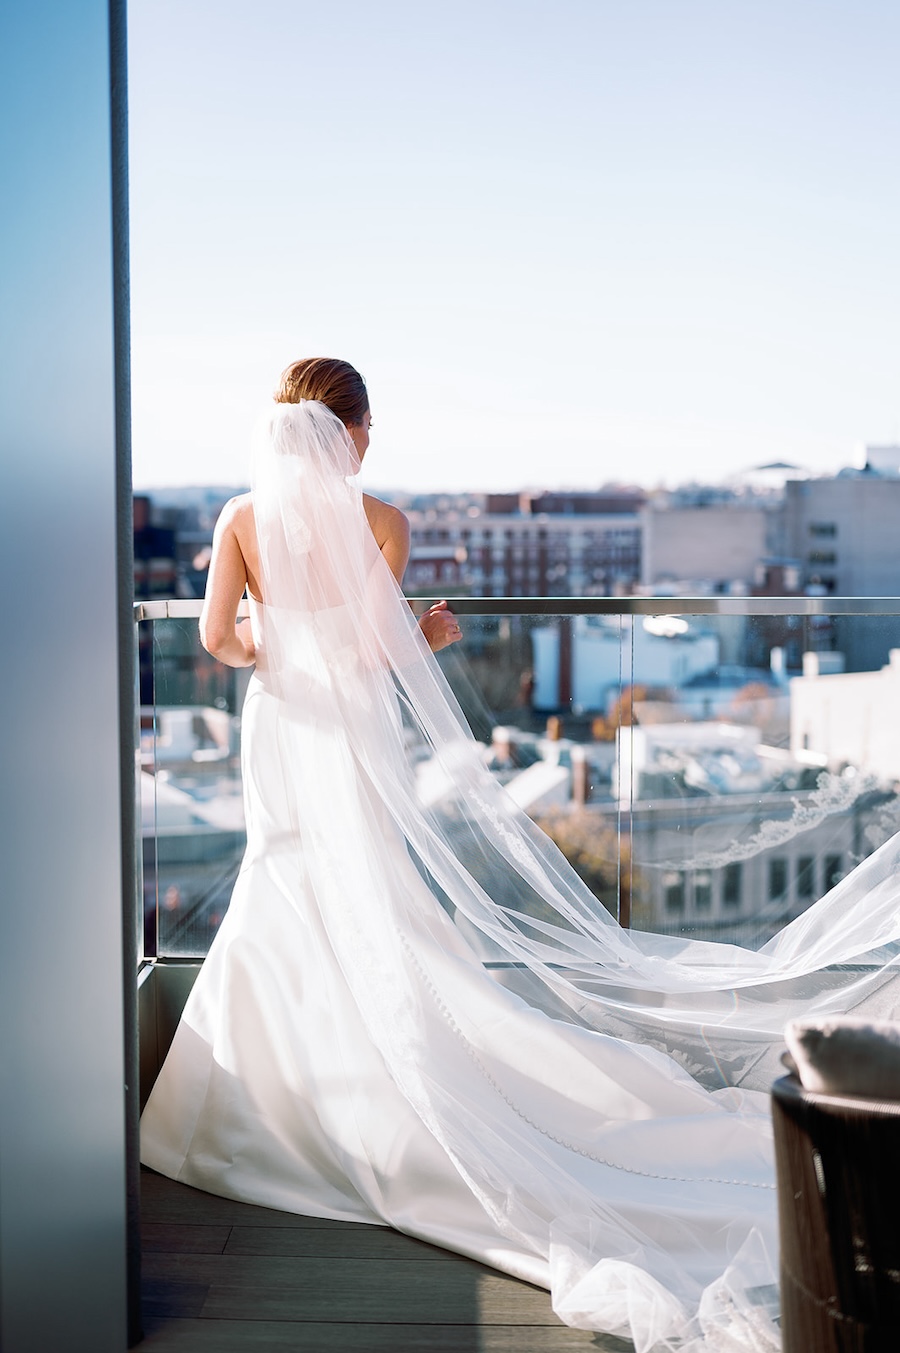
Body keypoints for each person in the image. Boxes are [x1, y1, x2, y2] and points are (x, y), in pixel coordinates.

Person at [142, 358, 900, 1353]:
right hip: (353, 739)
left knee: (284, 890)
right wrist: (433, 634)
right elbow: (380, 654)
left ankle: (252, 1114)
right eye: (368, 430)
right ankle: (380, 1091)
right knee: (371, 899)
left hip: (284, 731)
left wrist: (271, 636)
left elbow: (219, 646)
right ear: (352, 432)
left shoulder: (239, 516)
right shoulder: (380, 523)